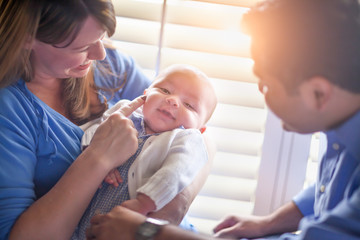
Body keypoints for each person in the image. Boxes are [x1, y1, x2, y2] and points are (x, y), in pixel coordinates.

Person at [85, 0, 360, 239]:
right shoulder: (341, 121)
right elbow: (331, 187)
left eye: (266, 86)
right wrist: (269, 224)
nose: (264, 96)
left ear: (318, 93)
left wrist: (145, 232)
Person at [0, 1, 213, 239]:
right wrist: (99, 157)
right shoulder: (9, 111)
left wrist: (169, 210)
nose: (99, 53)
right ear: (27, 36)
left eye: (101, 38)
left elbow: (197, 134)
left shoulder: (109, 65)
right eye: (82, 46)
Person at [72, 64, 217, 239]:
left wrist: (144, 203)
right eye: (164, 90)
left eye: (189, 105)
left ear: (200, 129)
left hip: (127, 222)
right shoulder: (127, 110)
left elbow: (174, 175)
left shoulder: (187, 140)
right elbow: (95, 130)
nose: (173, 100)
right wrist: (98, 156)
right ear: (145, 93)